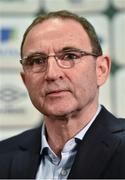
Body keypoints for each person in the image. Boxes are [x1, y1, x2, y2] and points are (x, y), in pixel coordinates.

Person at [0, 10, 125, 179]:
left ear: (101, 70)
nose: (51, 74)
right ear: (25, 80)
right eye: (37, 60)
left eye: (70, 56)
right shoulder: (3, 155)